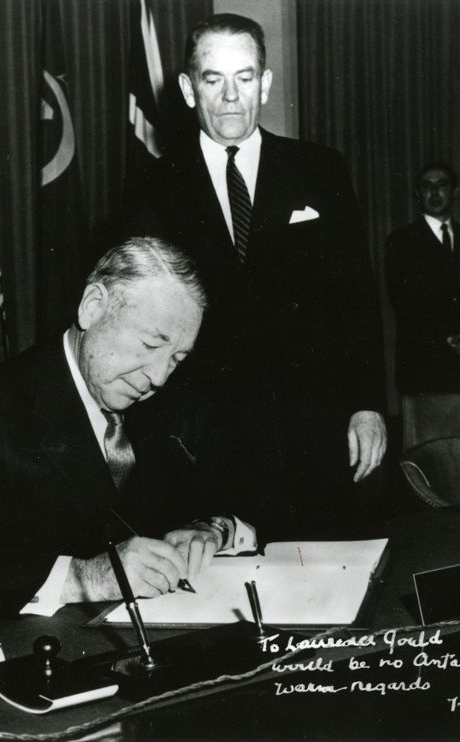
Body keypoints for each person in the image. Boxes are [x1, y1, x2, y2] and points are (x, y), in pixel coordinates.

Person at [0, 238, 257, 616]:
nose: (159, 376)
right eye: (149, 344)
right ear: (92, 307)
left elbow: (243, 496)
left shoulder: (163, 403)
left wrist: (212, 529)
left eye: (177, 358)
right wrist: (86, 577)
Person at [127, 13, 387, 538]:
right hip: (206, 445)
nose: (229, 97)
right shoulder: (151, 187)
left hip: (312, 434)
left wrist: (367, 405)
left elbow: (355, 299)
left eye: (244, 77)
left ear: (265, 84)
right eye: (212, 78)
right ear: (186, 88)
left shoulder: (320, 170)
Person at [385, 162, 460, 393]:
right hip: (422, 367)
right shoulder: (401, 242)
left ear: (454, 192)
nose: (434, 193)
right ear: (418, 194)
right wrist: (446, 338)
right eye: (427, 186)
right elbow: (403, 302)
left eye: (442, 185)